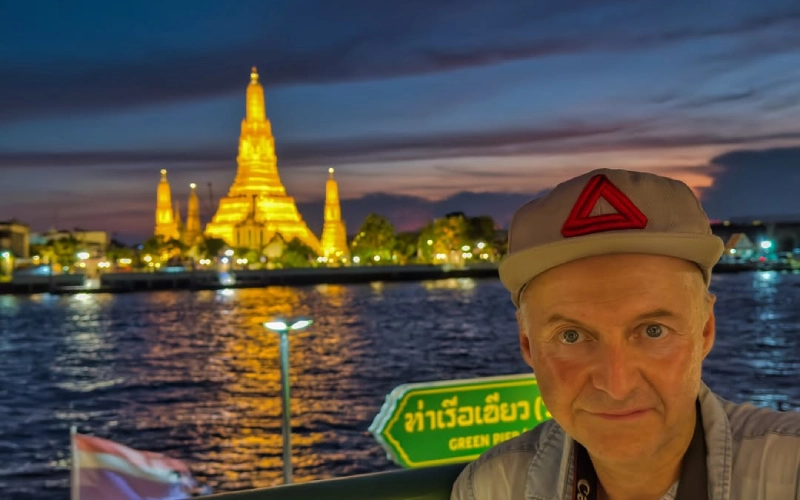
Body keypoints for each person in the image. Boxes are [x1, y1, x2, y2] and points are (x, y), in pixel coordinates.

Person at [450, 168, 800, 500]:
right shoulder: (490, 488)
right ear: (527, 343)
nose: (616, 385)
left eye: (652, 331)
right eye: (571, 336)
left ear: (705, 330)